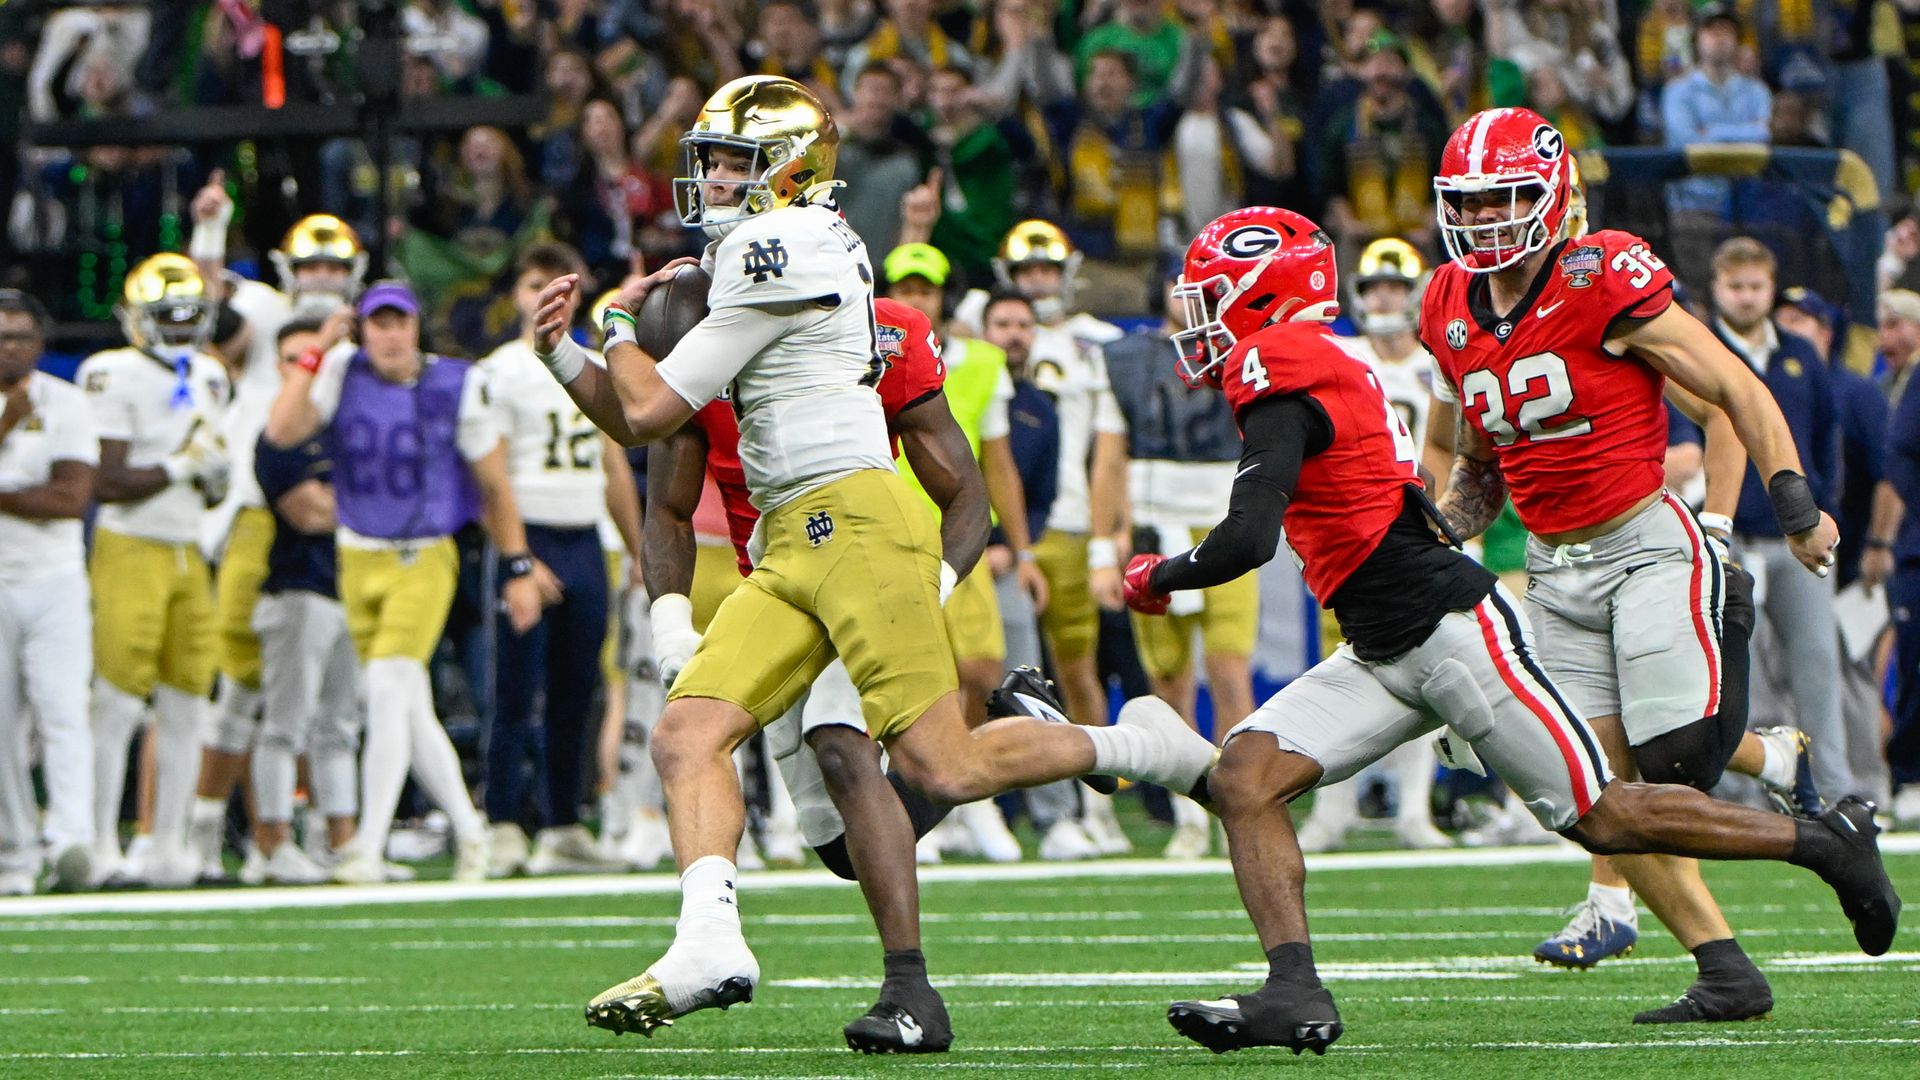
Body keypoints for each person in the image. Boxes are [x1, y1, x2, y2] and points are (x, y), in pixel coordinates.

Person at [523, 74, 1217, 1040]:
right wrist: (563, 353)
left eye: (732, 162)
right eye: (709, 161)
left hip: (855, 521)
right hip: (786, 539)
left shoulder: (784, 244)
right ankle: (708, 943)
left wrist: (614, 325)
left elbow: (646, 407)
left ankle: (1141, 747)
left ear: (788, 170)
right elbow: (654, 436)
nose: (712, 179)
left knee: (941, 767)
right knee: (687, 734)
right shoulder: (766, 251)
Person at [1124, 205, 1897, 1057]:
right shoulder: (1409, 324)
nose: (1196, 317)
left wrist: (1156, 575)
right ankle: (1293, 992)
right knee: (1246, 776)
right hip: (1395, 632)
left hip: (1468, 622)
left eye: (1213, 297)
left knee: (1614, 805)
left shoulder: (1285, 359)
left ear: (1263, 297)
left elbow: (1248, 538)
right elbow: (1461, 460)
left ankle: (1821, 839)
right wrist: (1443, 516)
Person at [1423, 108, 1845, 1022]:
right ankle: (1717, 960)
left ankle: (1801, 833)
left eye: (1506, 197)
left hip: (1642, 542)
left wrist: (1777, 510)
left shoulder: (1601, 273)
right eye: (1471, 201)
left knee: (1672, 759)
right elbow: (1476, 468)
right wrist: (1428, 537)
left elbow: (1729, 393)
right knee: (1599, 791)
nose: (1487, 218)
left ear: (1551, 195)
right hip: (1552, 564)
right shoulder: (1447, 302)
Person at [263, 280, 554, 886]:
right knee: (408, 707)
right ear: (361, 328)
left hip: (422, 555)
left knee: (386, 690)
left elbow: (493, 484)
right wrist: (316, 350)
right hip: (356, 553)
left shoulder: (458, 383)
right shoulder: (341, 370)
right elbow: (281, 434)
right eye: (379, 323)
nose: (390, 335)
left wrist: (518, 565)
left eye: (400, 322)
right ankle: (471, 834)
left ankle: (367, 846)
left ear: (417, 326)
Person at [971, 220, 1133, 854]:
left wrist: (1114, 527)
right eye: (1027, 272)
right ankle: (982, 804)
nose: (1038, 283)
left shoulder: (1097, 343)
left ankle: (1095, 804)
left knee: (1076, 671)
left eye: (1047, 270)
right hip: (998, 534)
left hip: (1067, 523)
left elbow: (1112, 446)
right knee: (993, 671)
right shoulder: (971, 344)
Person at [477, 242, 638, 878]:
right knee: (515, 690)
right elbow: (490, 475)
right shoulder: (498, 370)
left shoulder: (592, 363)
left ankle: (563, 822)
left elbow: (613, 464)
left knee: (578, 689)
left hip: (583, 537)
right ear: (516, 294)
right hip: (531, 534)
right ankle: (502, 822)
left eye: (557, 284)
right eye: (532, 284)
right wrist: (518, 559)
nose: (545, 295)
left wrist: (640, 549)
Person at [79, 254, 232, 888]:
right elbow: (106, 482)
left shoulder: (211, 374)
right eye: (168, 314)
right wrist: (180, 465)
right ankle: (97, 845)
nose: (179, 326)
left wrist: (213, 475)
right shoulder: (110, 372)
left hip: (189, 551)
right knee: (115, 703)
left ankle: (169, 846)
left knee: (189, 703)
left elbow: (208, 489)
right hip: (131, 549)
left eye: (189, 314)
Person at [1297, 238, 1454, 854]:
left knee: (1430, 676)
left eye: (1395, 286)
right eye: (1373, 288)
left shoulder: (1438, 361)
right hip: (1351, 539)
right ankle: (1332, 810)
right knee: (1340, 675)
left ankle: (1414, 810)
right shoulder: (1340, 356)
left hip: (1421, 532)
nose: (1384, 298)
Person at [1103, 266, 1258, 859]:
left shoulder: (1246, 349)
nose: (1187, 296)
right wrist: (1106, 541)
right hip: (1155, 524)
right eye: (1177, 282)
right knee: (1168, 678)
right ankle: (1192, 813)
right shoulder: (1125, 359)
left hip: (1228, 522)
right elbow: (1109, 457)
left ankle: (1244, 803)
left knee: (1229, 670)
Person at [1700, 239, 1851, 801]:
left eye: (1755, 286)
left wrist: (1819, 507)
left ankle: (1834, 790)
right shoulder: (1700, 349)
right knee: (1733, 672)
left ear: (1771, 287)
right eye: (1735, 287)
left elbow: (1827, 440)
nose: (1745, 297)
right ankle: (1743, 796)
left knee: (1818, 664)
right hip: (1728, 534)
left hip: (1796, 536)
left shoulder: (1801, 354)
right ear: (1717, 287)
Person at [247, 319, 358, 884]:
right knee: (284, 725)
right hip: (298, 589)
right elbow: (310, 514)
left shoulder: (349, 427)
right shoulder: (279, 435)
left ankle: (344, 845)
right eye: (297, 358)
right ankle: (272, 845)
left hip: (351, 588)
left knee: (340, 725)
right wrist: (374, 505)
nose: (307, 368)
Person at [0, 289, 97, 894]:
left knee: (64, 712)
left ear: (39, 343)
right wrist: (6, 425)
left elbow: (70, 498)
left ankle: (71, 842)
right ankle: (14, 852)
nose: (9, 347)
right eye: (0, 337)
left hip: (55, 578)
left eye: (19, 336)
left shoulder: (68, 402)